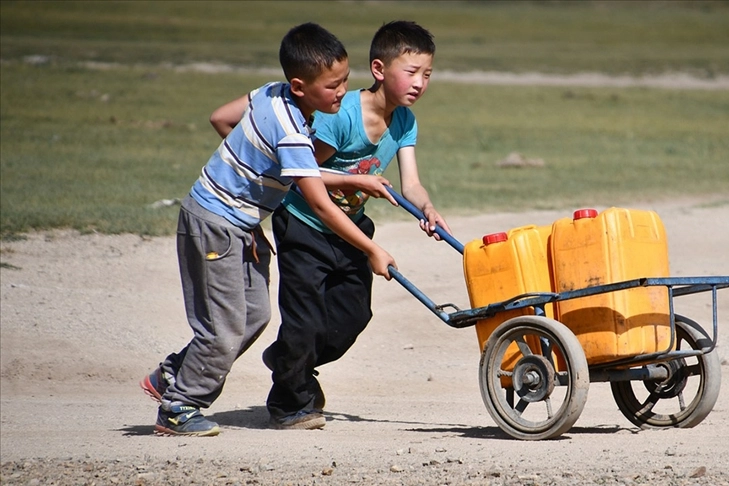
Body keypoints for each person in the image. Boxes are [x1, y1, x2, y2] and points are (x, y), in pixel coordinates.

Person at [139, 22, 396, 436]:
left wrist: (250, 198)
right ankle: (180, 405)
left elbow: (221, 118)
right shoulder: (294, 132)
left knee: (255, 316)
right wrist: (372, 249)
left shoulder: (268, 93)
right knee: (222, 328)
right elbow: (318, 203)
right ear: (300, 85)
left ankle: (173, 373)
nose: (342, 92)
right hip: (214, 225)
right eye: (333, 85)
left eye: (346, 80)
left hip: (237, 222)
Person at [263, 20, 451, 429]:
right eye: (411, 72)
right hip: (304, 225)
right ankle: (289, 401)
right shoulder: (341, 117)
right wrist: (355, 179)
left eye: (428, 74)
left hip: (351, 228)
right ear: (380, 70)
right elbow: (301, 171)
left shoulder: (404, 122)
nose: (420, 83)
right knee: (306, 321)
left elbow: (412, 184)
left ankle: (288, 360)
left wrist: (428, 209)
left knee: (352, 318)